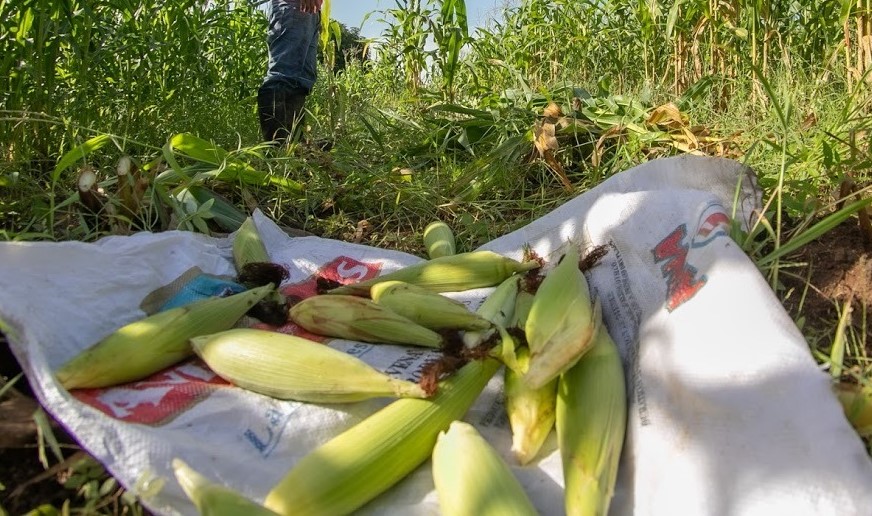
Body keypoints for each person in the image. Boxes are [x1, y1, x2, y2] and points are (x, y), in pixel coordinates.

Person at [257, 0, 322, 145]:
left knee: (301, 79)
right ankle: (277, 149)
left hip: (311, 11)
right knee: (283, 75)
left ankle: (296, 145)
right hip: (294, 4)